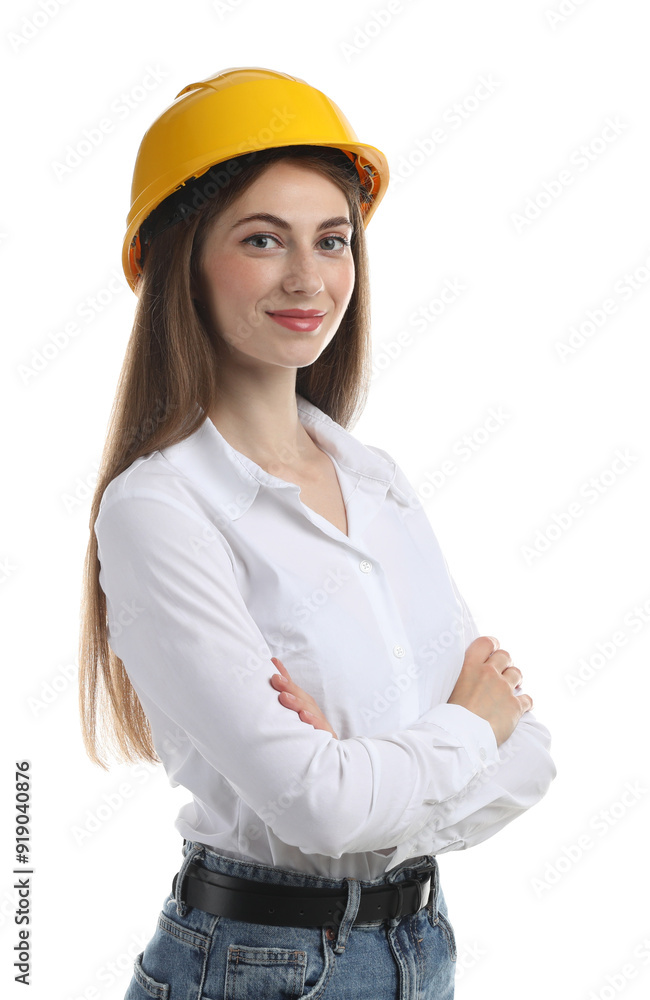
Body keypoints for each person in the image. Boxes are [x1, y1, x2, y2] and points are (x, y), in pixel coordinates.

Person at [78, 67, 556, 1000]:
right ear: (185, 261)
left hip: (423, 949)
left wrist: (366, 772)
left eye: (332, 240)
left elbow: (528, 758)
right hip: (257, 965)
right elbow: (331, 802)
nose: (309, 278)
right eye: (263, 240)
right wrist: (459, 725)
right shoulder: (158, 511)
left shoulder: (377, 482)